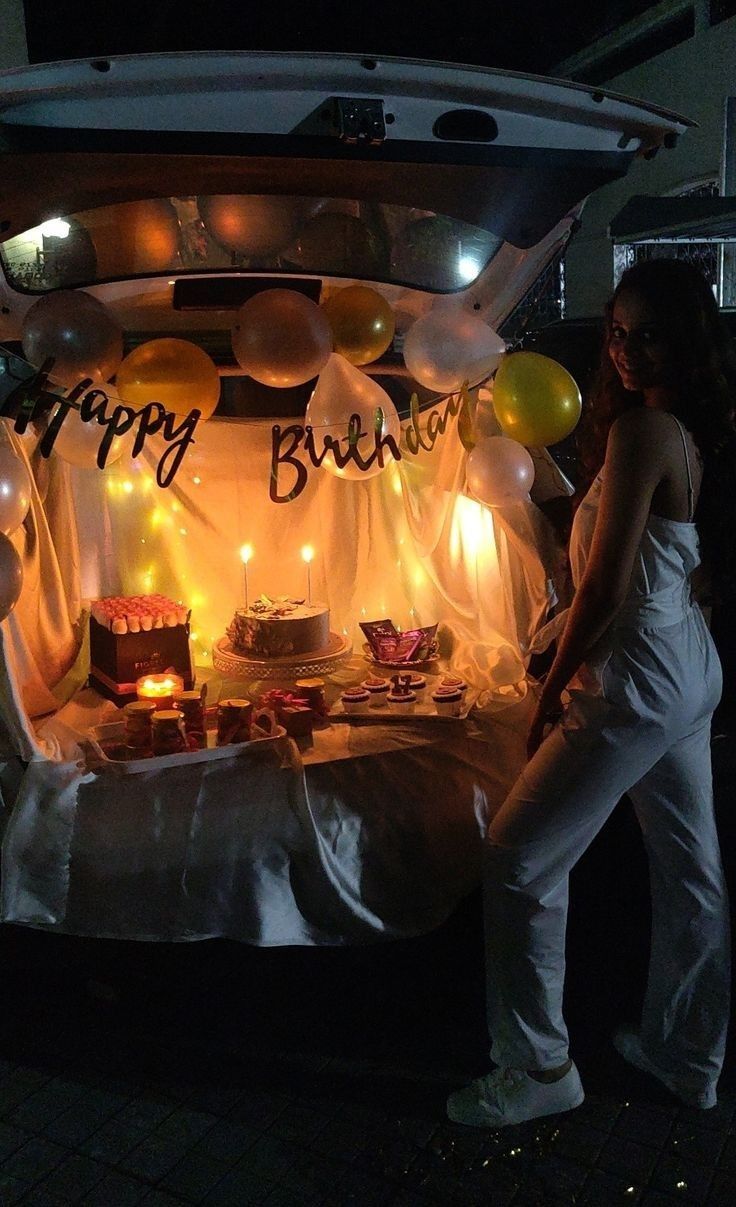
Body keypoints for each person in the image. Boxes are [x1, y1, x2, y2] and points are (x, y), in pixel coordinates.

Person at [448, 257, 736, 1128]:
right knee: (692, 872)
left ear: (685, 341)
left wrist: (549, 697)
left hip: (637, 680)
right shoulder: (674, 427)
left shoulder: (645, 433)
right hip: (689, 670)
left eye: (648, 335)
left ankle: (536, 1066)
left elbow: (606, 591)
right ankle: (688, 1053)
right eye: (616, 331)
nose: (625, 351)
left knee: (518, 858)